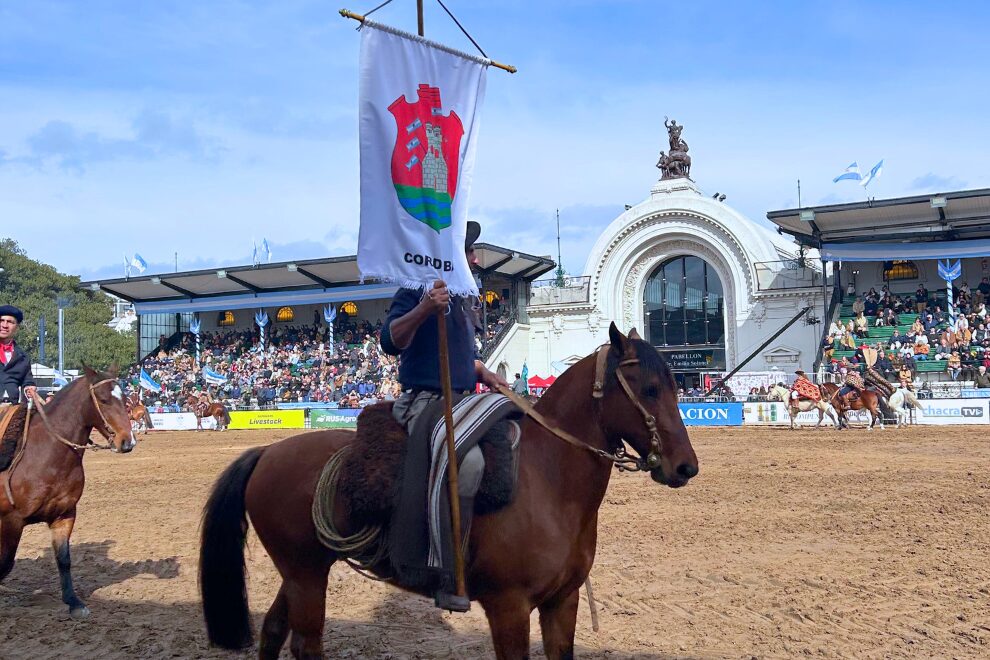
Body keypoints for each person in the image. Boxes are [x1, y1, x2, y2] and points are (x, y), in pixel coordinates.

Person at [380, 221, 507, 612]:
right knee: (466, 464)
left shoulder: (464, 298)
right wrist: (422, 309)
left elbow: (450, 354)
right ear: (449, 257)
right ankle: (447, 567)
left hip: (465, 398)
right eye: (468, 252)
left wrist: (478, 369)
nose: (475, 258)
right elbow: (390, 341)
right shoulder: (415, 291)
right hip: (426, 401)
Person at [0, 305, 37, 404]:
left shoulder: (23, 358)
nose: (4, 325)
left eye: (10, 322)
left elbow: (27, 380)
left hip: (12, 410)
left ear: (16, 327)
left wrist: (29, 388)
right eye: (1, 320)